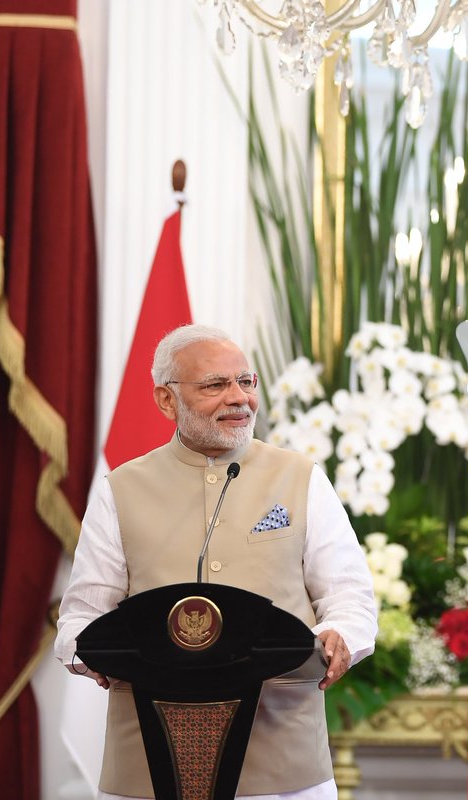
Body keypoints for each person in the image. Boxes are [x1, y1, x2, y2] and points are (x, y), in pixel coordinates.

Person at [56, 324, 378, 799]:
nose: (239, 398)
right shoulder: (120, 490)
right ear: (167, 401)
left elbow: (350, 596)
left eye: (246, 382)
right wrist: (84, 650)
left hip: (282, 764)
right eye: (215, 385)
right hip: (145, 764)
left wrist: (341, 634)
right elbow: (80, 616)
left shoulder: (301, 478)